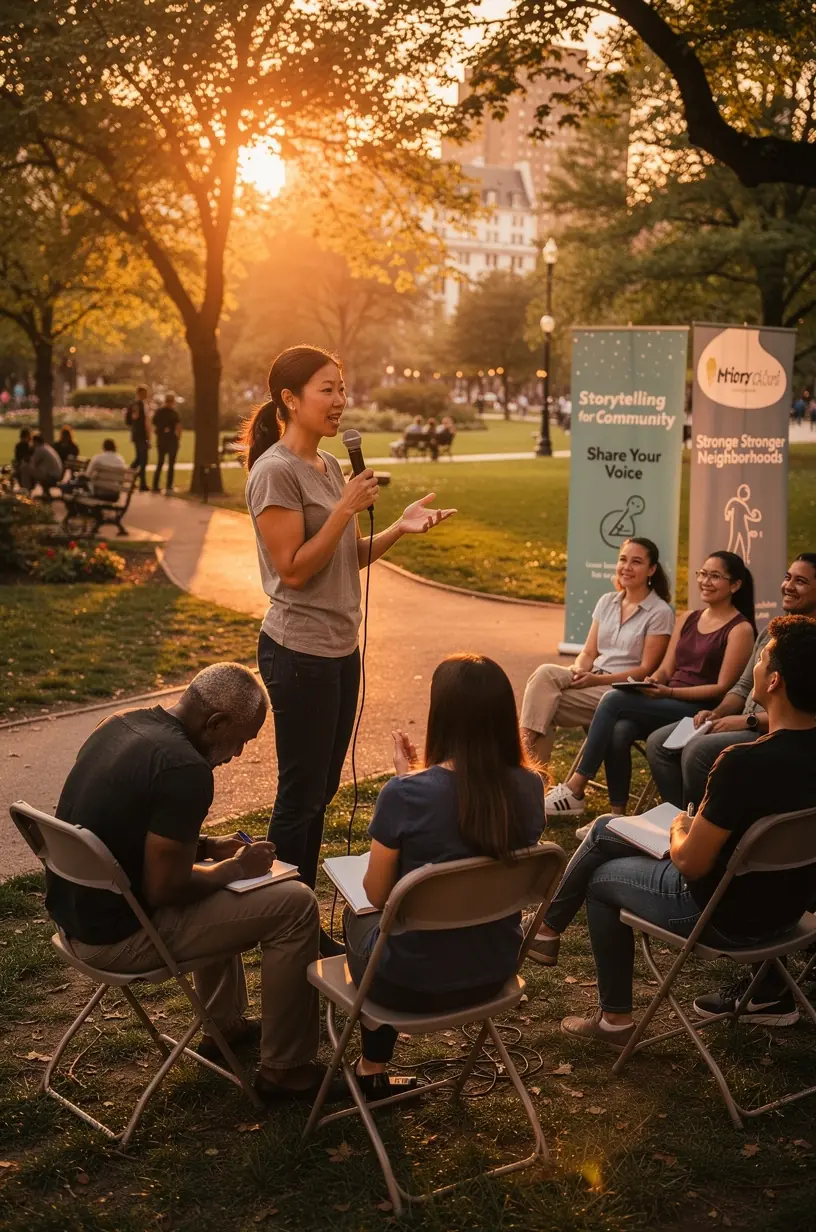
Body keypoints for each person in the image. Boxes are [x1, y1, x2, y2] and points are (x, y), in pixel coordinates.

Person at [45, 663, 344, 1103]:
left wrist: (204, 847)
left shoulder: (120, 725)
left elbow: (126, 828)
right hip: (120, 938)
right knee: (295, 904)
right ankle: (288, 1071)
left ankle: (224, 1027)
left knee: (222, 886)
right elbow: (167, 889)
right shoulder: (184, 768)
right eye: (241, 739)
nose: (239, 753)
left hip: (78, 919)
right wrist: (237, 869)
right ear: (216, 722)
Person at [242, 345, 455, 956]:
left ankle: (298, 921)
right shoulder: (275, 471)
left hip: (340, 649)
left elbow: (346, 554)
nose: (340, 401)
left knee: (323, 787)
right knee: (299, 795)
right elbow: (293, 570)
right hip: (299, 651)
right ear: (289, 399)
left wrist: (395, 529)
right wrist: (343, 509)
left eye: (342, 389)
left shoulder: (331, 466)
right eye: (326, 390)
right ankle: (286, 926)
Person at [526, 615, 816, 1044]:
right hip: (790, 915)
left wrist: (682, 824)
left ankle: (611, 1017)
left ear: (773, 682)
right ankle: (546, 932)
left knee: (602, 877)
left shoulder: (743, 764)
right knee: (608, 828)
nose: (754, 665)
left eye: (762, 659)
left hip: (724, 918)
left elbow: (691, 863)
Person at [344, 654, 547, 1098]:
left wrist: (408, 784)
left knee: (354, 912)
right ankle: (371, 1066)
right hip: (493, 974)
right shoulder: (531, 788)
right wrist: (412, 780)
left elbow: (378, 895)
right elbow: (466, 818)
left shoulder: (405, 795)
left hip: (408, 987)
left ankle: (371, 1066)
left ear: (442, 716)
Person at [545, 551, 756, 826]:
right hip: (666, 702)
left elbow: (721, 688)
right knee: (618, 731)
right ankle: (616, 815)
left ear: (735, 585)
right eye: (702, 574)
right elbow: (666, 670)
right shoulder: (688, 618)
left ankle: (576, 786)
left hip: (698, 709)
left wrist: (668, 693)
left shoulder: (740, 629)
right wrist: (654, 681)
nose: (705, 581)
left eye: (715, 576)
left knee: (611, 701)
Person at [647, 554, 816, 808]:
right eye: (787, 577)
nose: (789, 586)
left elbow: (805, 714)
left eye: (800, 581)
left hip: (774, 732)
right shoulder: (773, 630)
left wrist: (746, 720)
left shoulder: (808, 643)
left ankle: (701, 827)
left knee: (698, 751)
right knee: (659, 743)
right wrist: (716, 714)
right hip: (742, 721)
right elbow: (743, 686)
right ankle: (677, 816)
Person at [521, 538, 674, 766]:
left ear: (651, 569)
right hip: (591, 676)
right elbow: (589, 651)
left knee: (544, 705)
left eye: (636, 562)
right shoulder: (607, 601)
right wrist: (579, 670)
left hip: (620, 691)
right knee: (545, 675)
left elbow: (645, 670)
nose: (627, 567)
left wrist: (595, 679)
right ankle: (529, 770)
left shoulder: (660, 612)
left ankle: (521, 761)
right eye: (623, 559)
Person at [152, 392, 181, 493]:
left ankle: (155, 485)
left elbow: (154, 425)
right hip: (172, 440)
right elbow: (178, 427)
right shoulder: (174, 413)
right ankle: (169, 485)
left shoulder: (159, 412)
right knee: (171, 464)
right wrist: (179, 439)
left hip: (161, 440)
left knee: (160, 462)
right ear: (173, 401)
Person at [21, 431, 64, 497]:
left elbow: (32, 464)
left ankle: (27, 491)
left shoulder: (40, 449)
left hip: (51, 476)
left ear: (35, 441)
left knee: (24, 468)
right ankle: (31, 489)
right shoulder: (46, 447)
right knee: (32, 470)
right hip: (56, 474)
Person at [125, 385, 151, 491]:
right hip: (141, 435)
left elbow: (128, 421)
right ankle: (142, 483)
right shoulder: (140, 405)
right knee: (143, 459)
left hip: (136, 434)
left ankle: (130, 477)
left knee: (139, 459)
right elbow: (146, 422)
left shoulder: (133, 405)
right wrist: (149, 437)